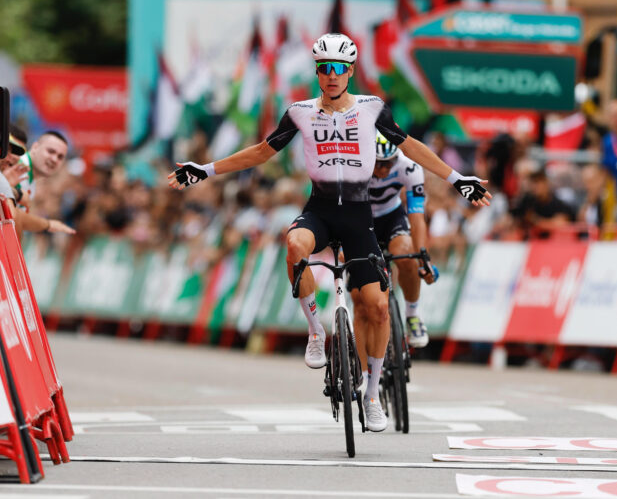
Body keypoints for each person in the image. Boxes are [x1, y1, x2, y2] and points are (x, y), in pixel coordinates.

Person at [169, 33, 491, 432]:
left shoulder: (373, 109)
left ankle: (372, 395)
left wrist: (459, 178)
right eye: (324, 68)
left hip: (360, 216)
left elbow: (412, 147)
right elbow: (260, 152)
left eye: (339, 68)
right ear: (317, 72)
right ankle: (316, 333)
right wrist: (205, 170)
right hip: (320, 210)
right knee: (294, 243)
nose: (332, 75)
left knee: (374, 306)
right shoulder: (300, 111)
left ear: (351, 71)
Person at [368, 133, 437, 348]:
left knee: (406, 255)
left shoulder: (409, 168)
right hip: (361, 219)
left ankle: (413, 315)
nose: (383, 170)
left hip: (392, 216)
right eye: (378, 163)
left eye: (389, 163)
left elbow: (416, 217)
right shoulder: (354, 167)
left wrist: (423, 257)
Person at [509, 169, 575, 232]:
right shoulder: (528, 203)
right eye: (533, 183)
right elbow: (513, 219)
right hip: (529, 241)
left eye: (538, 182)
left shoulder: (558, 204)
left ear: (546, 183)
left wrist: (535, 220)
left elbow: (560, 223)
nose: (535, 186)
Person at [16, 130, 69, 208]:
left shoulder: (31, 179)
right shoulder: (17, 166)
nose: (54, 159)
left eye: (60, 157)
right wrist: (47, 221)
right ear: (35, 147)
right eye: (51, 151)